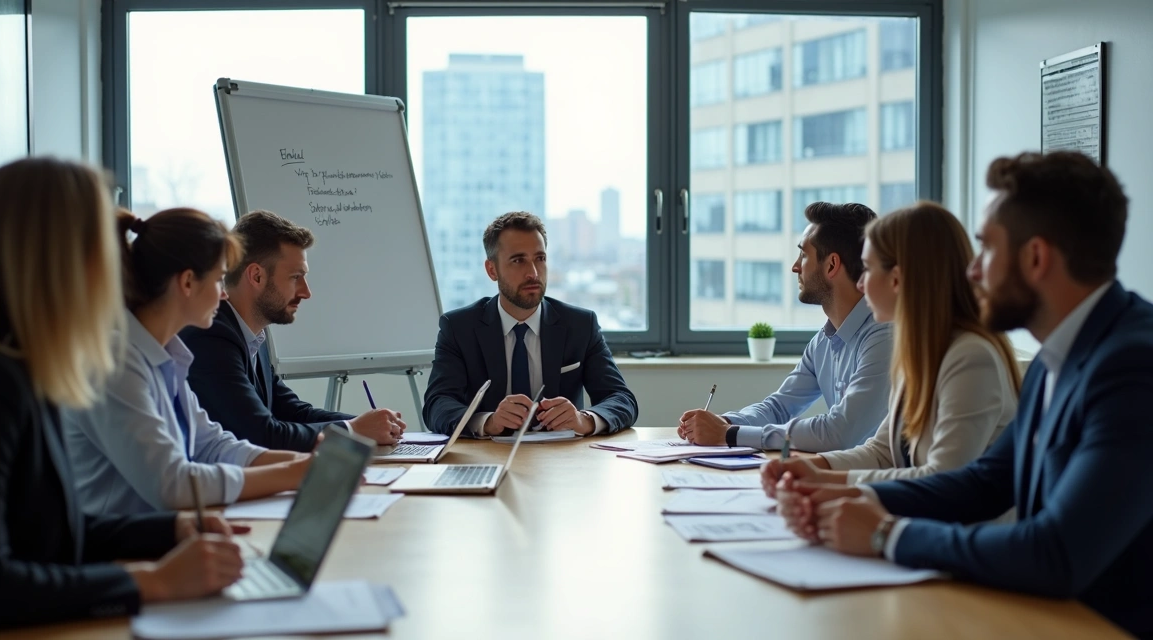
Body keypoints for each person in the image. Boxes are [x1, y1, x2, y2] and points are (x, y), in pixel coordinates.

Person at [777, 151, 1153, 638]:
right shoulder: (1055, 358)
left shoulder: (1132, 365)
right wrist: (845, 495)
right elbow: (982, 482)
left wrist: (885, 533)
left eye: (987, 250)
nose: (972, 273)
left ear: (1035, 257)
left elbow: (1058, 553)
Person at [0, 158, 243, 639]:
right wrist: (152, 581)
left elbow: (51, 533)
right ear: (59, 262)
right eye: (103, 251)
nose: (120, 273)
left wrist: (170, 532)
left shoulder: (22, 367)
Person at [63, 207, 315, 515]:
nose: (224, 295)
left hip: (163, 536)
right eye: (220, 280)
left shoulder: (167, 354)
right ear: (187, 283)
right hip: (122, 551)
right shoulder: (115, 361)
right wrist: (295, 474)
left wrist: (304, 463)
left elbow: (211, 445)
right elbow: (172, 485)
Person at [760, 203, 1020, 493]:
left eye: (867, 269)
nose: (859, 282)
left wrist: (830, 484)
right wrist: (813, 469)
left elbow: (943, 479)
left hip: (961, 531)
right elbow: (882, 453)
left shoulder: (971, 357)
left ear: (897, 280)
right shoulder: (919, 351)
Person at [180, 210, 406, 451]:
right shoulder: (211, 337)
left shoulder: (252, 335)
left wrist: (369, 423)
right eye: (295, 277)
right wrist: (354, 429)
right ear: (256, 276)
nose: (306, 292)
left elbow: (293, 412)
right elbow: (262, 434)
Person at [677, 202, 892, 452]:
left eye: (804, 254)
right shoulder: (824, 341)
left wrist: (730, 434)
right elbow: (779, 407)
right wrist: (724, 423)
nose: (795, 266)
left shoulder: (884, 337)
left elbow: (838, 433)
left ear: (832, 265)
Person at [423, 211, 637, 437]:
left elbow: (622, 399)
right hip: (488, 457)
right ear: (492, 270)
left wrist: (584, 420)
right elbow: (437, 405)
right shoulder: (458, 328)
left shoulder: (580, 325)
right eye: (518, 260)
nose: (533, 273)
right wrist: (488, 422)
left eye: (540, 258)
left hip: (563, 460)